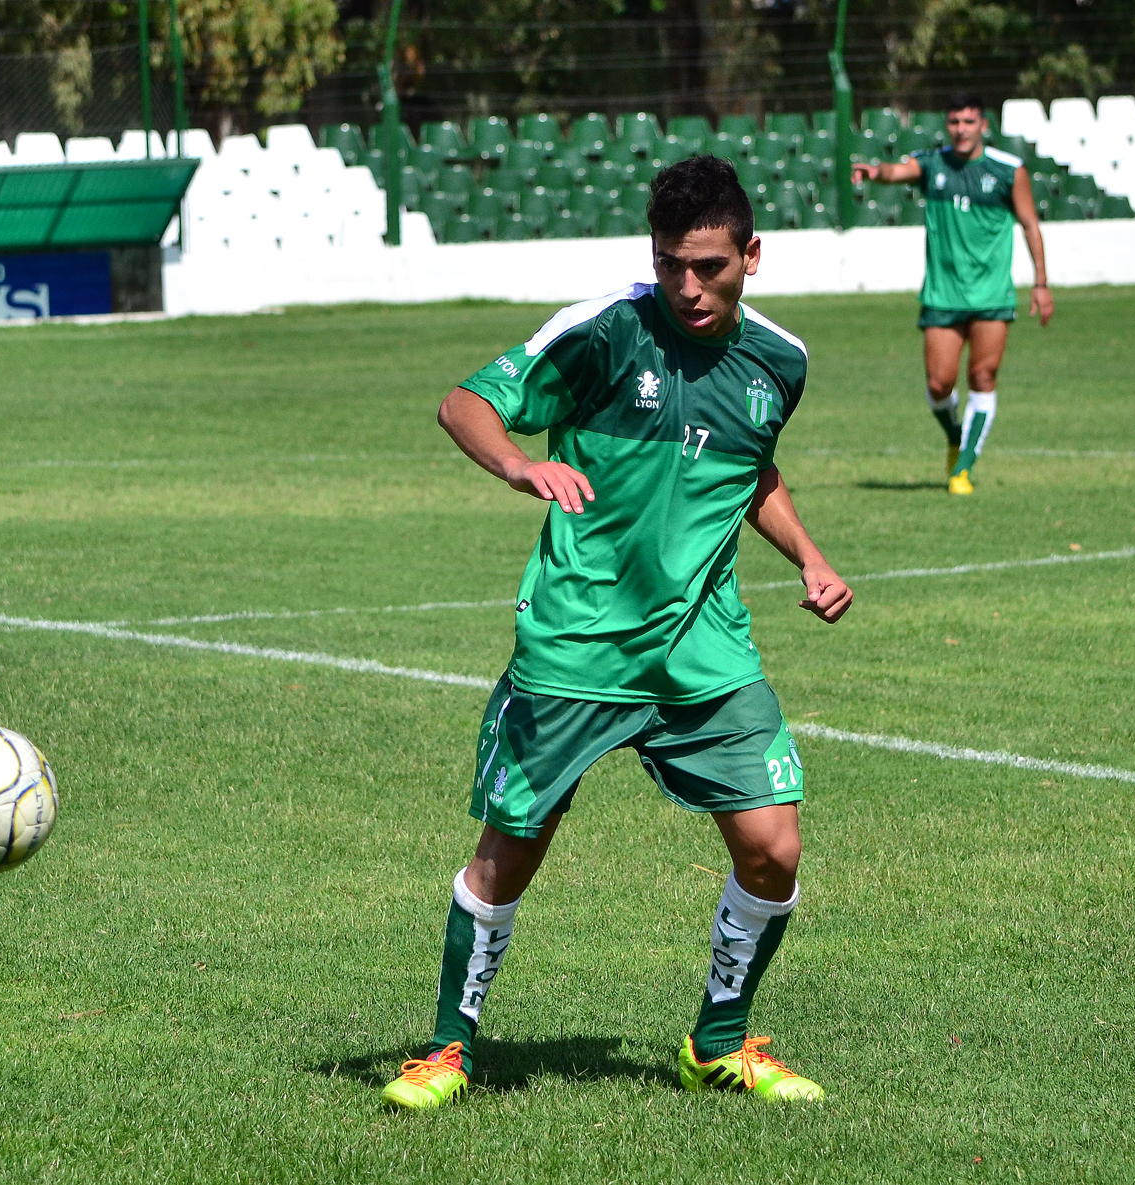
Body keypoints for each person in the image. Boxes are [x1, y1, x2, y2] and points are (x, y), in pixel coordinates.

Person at [380, 155, 853, 1111]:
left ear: (751, 256)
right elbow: (463, 402)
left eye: (710, 266)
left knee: (775, 847)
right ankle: (447, 1049)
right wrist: (517, 465)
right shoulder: (603, 331)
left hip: (701, 644)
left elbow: (748, 467)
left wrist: (807, 552)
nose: (688, 285)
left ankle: (718, 1041)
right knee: (511, 848)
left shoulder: (780, 361)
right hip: (578, 641)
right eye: (671, 262)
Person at [853, 91, 1053, 495]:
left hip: (992, 295)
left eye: (969, 121)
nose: (961, 129)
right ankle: (954, 434)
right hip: (942, 295)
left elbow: (1031, 225)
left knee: (983, 375)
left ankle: (963, 466)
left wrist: (1041, 283)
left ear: (984, 125)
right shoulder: (933, 163)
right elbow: (897, 171)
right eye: (954, 122)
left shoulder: (1008, 170)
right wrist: (876, 173)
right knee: (939, 384)